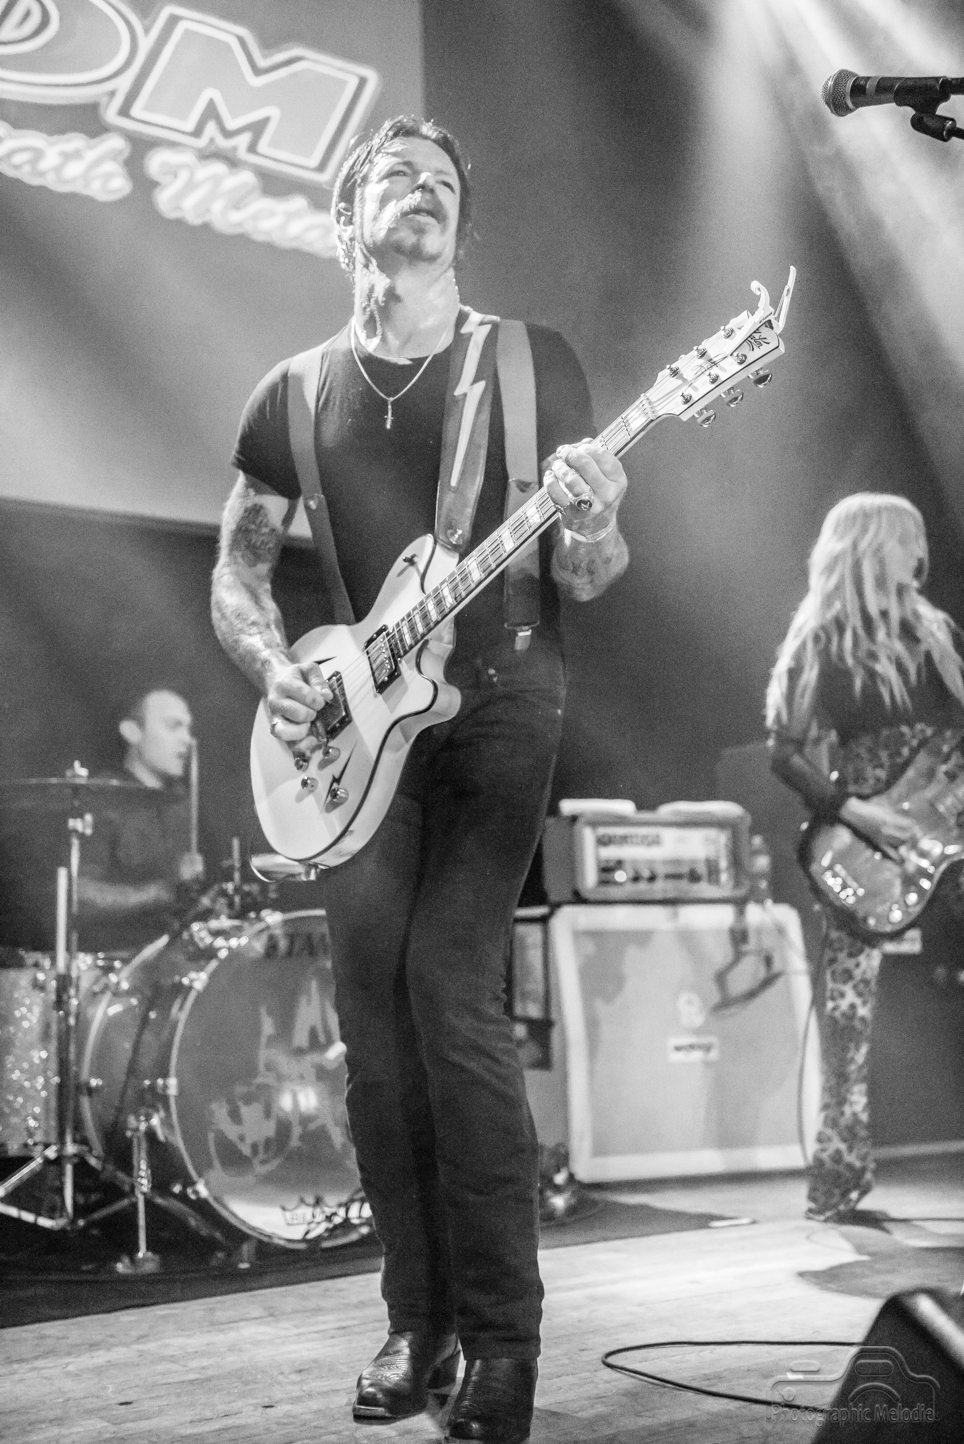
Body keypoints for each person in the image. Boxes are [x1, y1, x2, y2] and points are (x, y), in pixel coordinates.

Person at [211, 116, 629, 1444]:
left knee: (451, 989)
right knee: (375, 1033)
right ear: (348, 219)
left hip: (502, 696)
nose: (424, 193)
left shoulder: (527, 364)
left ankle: (503, 1345)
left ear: (460, 226)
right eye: (398, 177)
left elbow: (589, 573)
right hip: (356, 733)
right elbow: (237, 573)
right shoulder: (292, 394)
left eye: (444, 183)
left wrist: (600, 516)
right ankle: (417, 1323)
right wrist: (274, 667)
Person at [766, 493, 964, 1222]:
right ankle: (841, 1173)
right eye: (909, 540)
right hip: (862, 840)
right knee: (848, 1010)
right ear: (873, 546)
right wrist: (855, 809)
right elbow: (784, 750)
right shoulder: (821, 638)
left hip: (950, 825)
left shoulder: (937, 632)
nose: (921, 554)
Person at [78, 686, 204, 953]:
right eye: (174, 726)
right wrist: (161, 892)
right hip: (112, 958)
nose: (187, 740)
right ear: (132, 731)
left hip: (169, 956)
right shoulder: (102, 798)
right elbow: (77, 894)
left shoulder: (180, 803)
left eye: (188, 729)